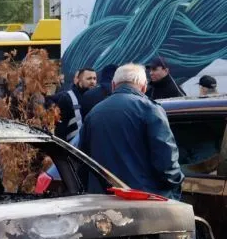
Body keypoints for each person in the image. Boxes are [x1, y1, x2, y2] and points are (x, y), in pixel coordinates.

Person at [79, 63, 184, 200]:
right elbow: (166, 162)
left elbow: (83, 160)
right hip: (143, 201)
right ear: (144, 86)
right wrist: (176, 184)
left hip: (102, 200)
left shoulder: (94, 113)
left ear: (113, 85)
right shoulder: (150, 110)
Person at [49, 68, 98, 143]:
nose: (92, 81)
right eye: (89, 79)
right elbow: (60, 129)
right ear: (79, 80)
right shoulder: (67, 98)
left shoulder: (97, 98)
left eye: (94, 79)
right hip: (72, 148)